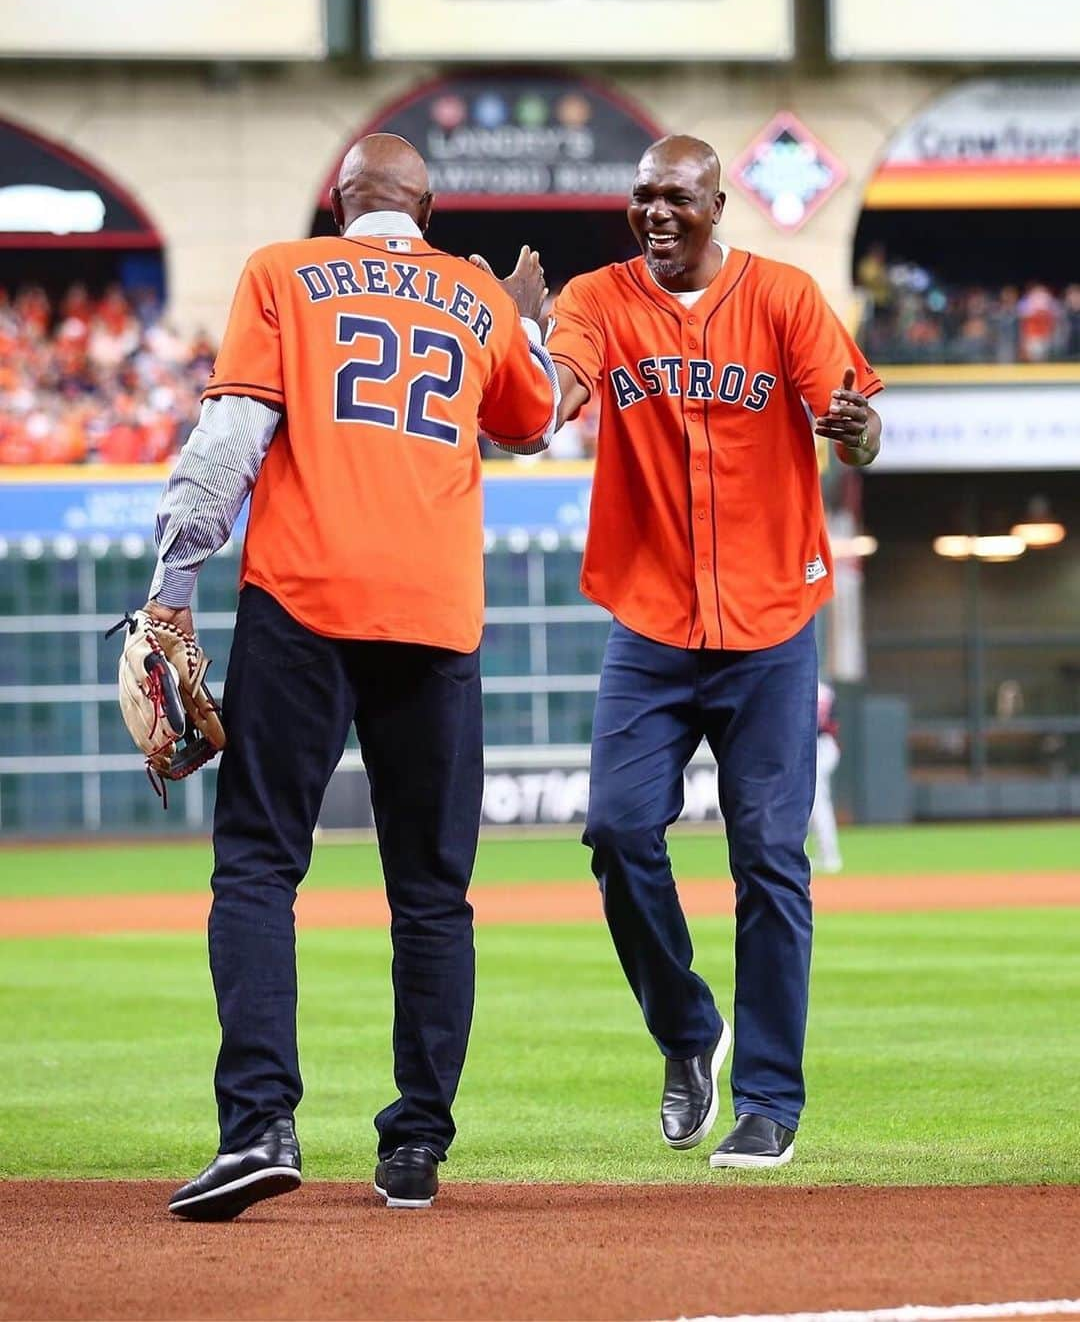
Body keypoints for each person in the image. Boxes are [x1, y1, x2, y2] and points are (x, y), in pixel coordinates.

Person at [145, 134, 559, 1220]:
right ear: (430, 211)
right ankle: (415, 1147)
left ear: (338, 205)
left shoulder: (285, 269)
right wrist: (514, 316)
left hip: (304, 601)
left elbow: (234, 433)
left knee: (258, 864)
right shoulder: (473, 292)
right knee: (431, 892)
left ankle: (260, 1126)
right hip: (433, 612)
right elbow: (530, 425)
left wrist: (173, 581)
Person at [545, 135, 883, 1169]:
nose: (657, 211)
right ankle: (689, 1033)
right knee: (614, 829)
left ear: (718, 202)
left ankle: (769, 1099)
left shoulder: (783, 296)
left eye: (678, 196)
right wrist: (512, 342)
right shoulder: (597, 299)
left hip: (772, 623)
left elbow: (857, 427)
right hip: (650, 623)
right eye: (643, 194)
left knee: (771, 858)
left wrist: (856, 431)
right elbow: (554, 394)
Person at [809, 680, 843, 874]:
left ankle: (830, 856)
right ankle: (827, 856)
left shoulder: (800, 683)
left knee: (817, 802)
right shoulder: (827, 691)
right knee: (816, 801)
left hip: (818, 746)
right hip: (827, 746)